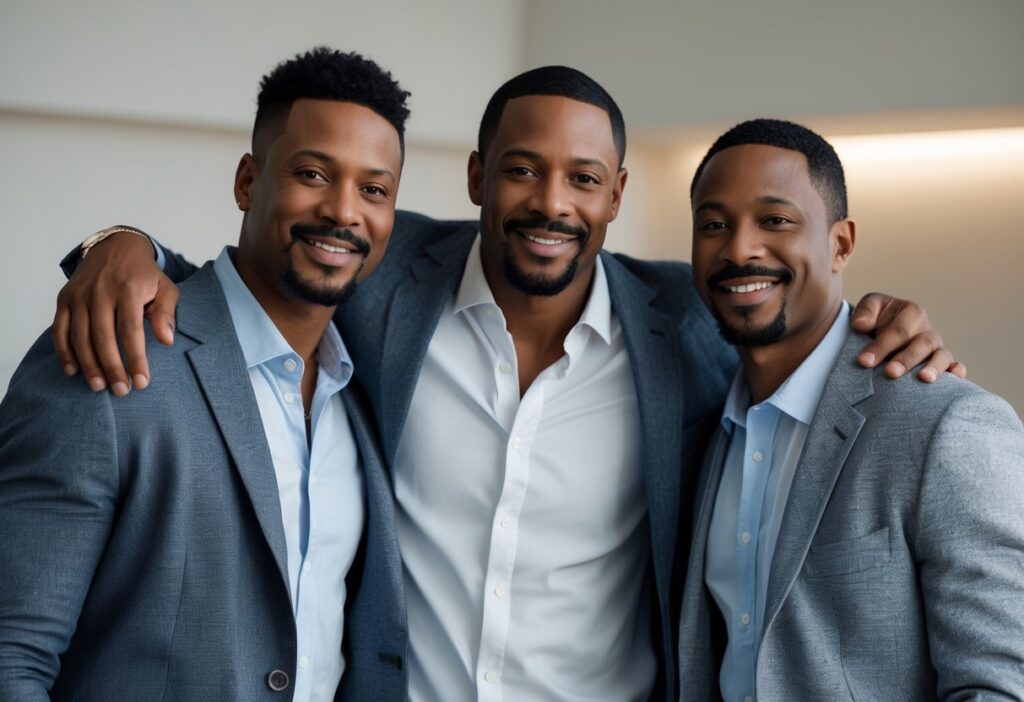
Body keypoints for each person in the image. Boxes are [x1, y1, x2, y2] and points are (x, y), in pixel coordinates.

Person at [50, 68, 962, 701]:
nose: (551, 202)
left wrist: (887, 328)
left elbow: (791, 316)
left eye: (584, 179)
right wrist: (119, 246)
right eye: (522, 169)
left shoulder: (689, 323)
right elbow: (274, 266)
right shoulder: (388, 276)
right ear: (478, 176)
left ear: (616, 195)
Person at [0, 47, 411, 701]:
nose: (343, 211)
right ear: (248, 181)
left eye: (374, 190)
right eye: (312, 173)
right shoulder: (112, 354)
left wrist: (129, 239)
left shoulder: (358, 392)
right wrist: (117, 240)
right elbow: (11, 656)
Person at [678, 118, 1024, 701]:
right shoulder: (711, 421)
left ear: (840, 244)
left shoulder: (947, 424)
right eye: (714, 225)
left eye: (775, 220)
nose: (739, 248)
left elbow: (1001, 685)